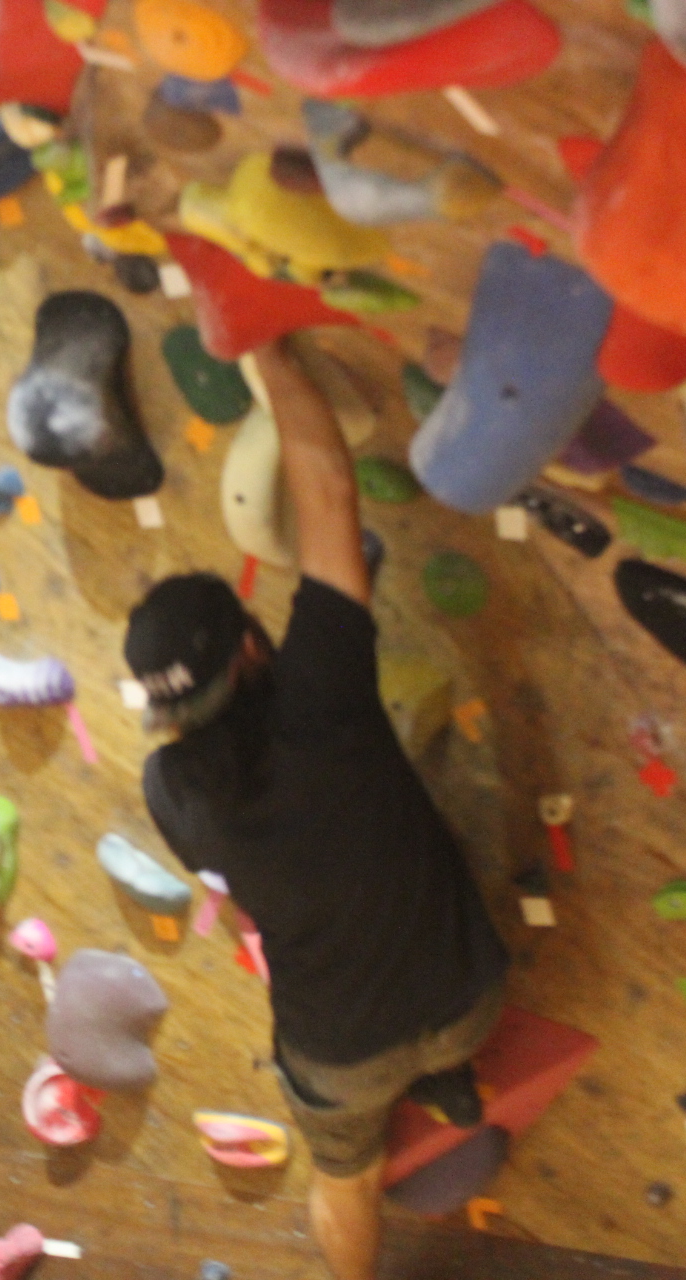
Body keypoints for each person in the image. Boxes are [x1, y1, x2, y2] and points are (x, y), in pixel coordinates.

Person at [124, 340, 509, 1280]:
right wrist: (266, 349)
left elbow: (237, 898)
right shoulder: (322, 686)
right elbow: (330, 486)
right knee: (449, 810)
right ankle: (449, 1073)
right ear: (252, 650)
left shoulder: (171, 791)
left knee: (344, 1179)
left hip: (342, 1056)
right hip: (469, 994)